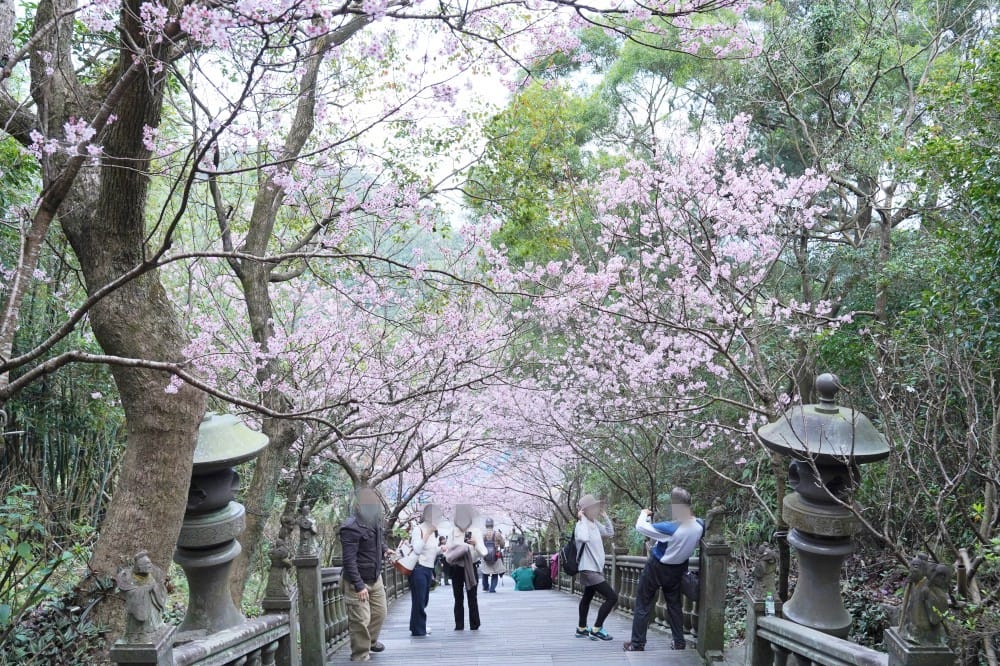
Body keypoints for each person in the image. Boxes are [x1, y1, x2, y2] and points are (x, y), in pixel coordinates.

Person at [624, 487, 704, 652]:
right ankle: (679, 641)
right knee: (674, 605)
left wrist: (644, 513)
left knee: (643, 602)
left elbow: (640, 527)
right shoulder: (700, 526)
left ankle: (637, 643)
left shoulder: (671, 529)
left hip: (657, 567)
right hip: (677, 570)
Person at [340, 487, 391, 662]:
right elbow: (349, 560)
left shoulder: (374, 520)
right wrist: (359, 585)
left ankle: (371, 641)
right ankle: (360, 654)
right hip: (357, 581)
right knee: (360, 619)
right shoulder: (350, 527)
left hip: (375, 577)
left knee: (380, 612)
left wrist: (385, 550)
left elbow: (378, 540)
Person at [574, 494, 619, 642]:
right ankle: (596, 629)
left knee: (587, 597)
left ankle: (581, 628)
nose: (596, 509)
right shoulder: (581, 525)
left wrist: (605, 516)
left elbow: (610, 533)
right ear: (585, 510)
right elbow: (585, 538)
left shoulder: (594, 523)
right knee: (612, 597)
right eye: (592, 507)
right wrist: (582, 520)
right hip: (588, 568)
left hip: (595, 568)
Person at [444, 503, 486, 630]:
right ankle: (459, 624)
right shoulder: (453, 532)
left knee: (472, 597)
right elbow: (448, 552)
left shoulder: (475, 531)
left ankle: (474, 624)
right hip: (456, 567)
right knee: (458, 597)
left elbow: (483, 552)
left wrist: (475, 543)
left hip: (471, 567)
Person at [408, 504, 440, 637]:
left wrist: (441, 550)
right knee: (419, 599)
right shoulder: (418, 530)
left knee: (423, 599)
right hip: (418, 568)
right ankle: (418, 630)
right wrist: (426, 533)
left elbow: (431, 550)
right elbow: (417, 549)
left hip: (428, 568)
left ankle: (415, 625)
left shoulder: (434, 533)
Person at [480, 518, 506, 592]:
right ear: (492, 525)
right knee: (495, 572)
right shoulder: (497, 533)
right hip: (495, 556)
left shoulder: (482, 534)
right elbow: (502, 544)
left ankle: (485, 587)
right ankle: (492, 588)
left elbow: (479, 544)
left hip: (485, 555)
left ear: (486, 525)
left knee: (485, 571)